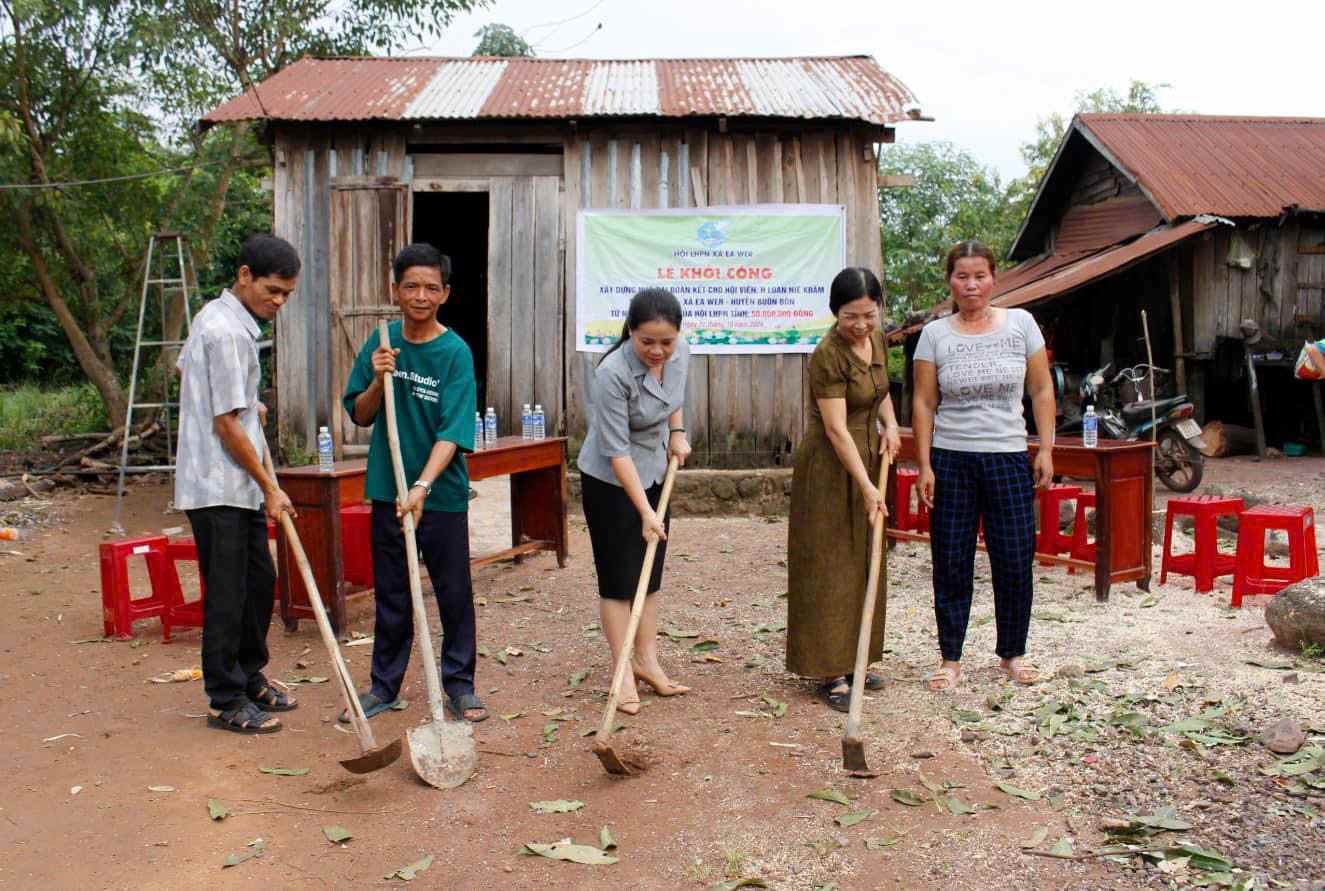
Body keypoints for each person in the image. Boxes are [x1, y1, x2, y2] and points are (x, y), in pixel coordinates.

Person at [340, 243, 486, 723]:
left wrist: (422, 486)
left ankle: (460, 686)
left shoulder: (454, 352)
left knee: (453, 592)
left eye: (430, 287)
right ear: (395, 290)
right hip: (388, 489)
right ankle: (384, 687)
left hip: (438, 494)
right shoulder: (380, 343)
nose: (420, 295)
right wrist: (380, 381)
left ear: (444, 294)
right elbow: (360, 415)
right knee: (393, 594)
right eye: (411, 286)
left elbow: (454, 431)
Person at [912, 240, 1056, 692]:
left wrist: (1046, 449)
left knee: (1014, 559)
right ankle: (950, 658)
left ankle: (1013, 654)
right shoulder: (935, 334)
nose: (971, 285)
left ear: (995, 278)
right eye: (961, 276)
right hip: (952, 459)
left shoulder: (1021, 325)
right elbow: (923, 402)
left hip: (1008, 456)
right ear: (949, 281)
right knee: (951, 560)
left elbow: (1041, 390)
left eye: (980, 276)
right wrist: (924, 464)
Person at [175, 234, 300, 734]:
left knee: (258, 582)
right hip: (217, 483)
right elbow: (225, 425)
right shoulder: (224, 330)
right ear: (245, 275)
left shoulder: (225, 322)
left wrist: (252, 406)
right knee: (228, 593)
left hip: (236, 484)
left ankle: (249, 675)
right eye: (272, 291)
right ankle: (224, 698)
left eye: (287, 295)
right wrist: (271, 486)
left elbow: (192, 373)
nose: (279, 302)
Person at [786, 267, 902, 712]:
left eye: (869, 315)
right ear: (835, 312)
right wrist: (867, 485)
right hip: (833, 466)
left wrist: (890, 424)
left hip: (870, 456)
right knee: (830, 561)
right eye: (851, 316)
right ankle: (829, 670)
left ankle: (858, 659)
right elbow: (836, 429)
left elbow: (879, 391)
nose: (860, 325)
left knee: (863, 558)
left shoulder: (877, 340)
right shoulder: (826, 355)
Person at [577, 288, 692, 715]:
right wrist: (644, 511)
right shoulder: (612, 373)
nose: (657, 351)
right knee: (618, 579)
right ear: (630, 332)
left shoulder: (681, 354)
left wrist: (677, 434)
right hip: (611, 481)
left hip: (657, 469)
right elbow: (615, 450)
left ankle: (647, 661)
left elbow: (674, 399)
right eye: (647, 342)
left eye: (666, 341)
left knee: (651, 572)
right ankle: (622, 671)